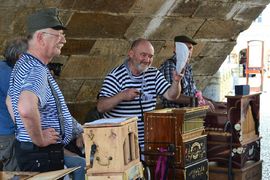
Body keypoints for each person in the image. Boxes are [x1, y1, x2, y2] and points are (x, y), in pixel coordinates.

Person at [6, 8, 74, 172]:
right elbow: (26, 108)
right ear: (41, 37)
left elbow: (10, 101)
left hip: (34, 153)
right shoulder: (36, 69)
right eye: (58, 34)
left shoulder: (24, 63)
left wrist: (26, 130)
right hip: (41, 154)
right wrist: (39, 138)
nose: (63, 40)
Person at [97, 38, 182, 146]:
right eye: (143, 55)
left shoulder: (154, 74)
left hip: (147, 141)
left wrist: (176, 81)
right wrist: (122, 96)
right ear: (131, 54)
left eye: (150, 56)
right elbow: (101, 107)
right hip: (121, 143)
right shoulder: (115, 76)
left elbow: (171, 96)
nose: (147, 60)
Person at [159, 35, 225, 111]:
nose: (188, 52)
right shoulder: (170, 66)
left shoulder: (187, 67)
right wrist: (199, 101)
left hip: (190, 113)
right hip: (176, 115)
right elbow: (172, 96)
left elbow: (194, 94)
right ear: (175, 49)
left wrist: (214, 103)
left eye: (190, 48)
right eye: (184, 49)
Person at [0, 37, 28, 171]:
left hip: (3, 134)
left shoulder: (2, 67)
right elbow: (20, 103)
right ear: (20, 56)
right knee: (15, 174)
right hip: (8, 134)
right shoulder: (10, 74)